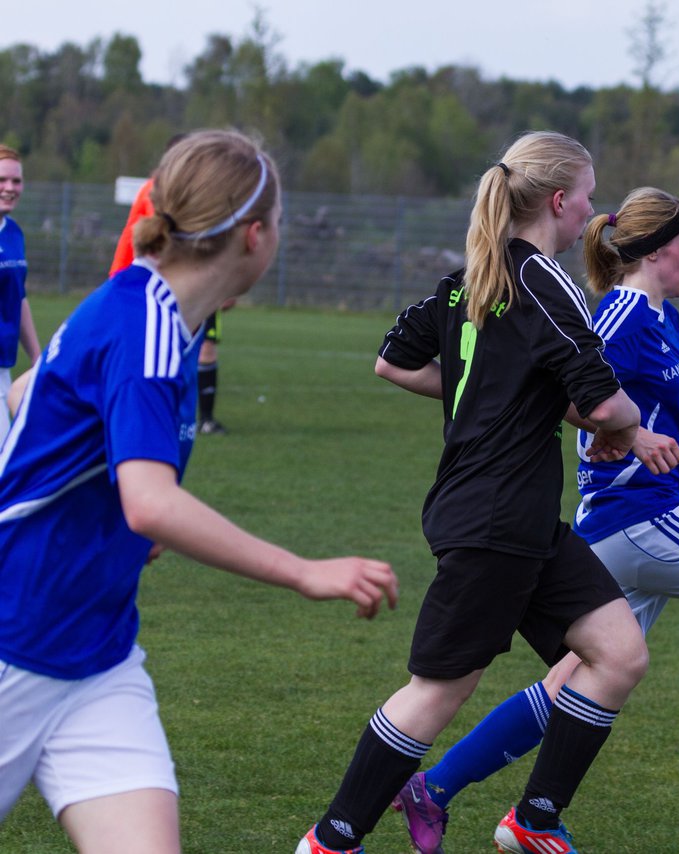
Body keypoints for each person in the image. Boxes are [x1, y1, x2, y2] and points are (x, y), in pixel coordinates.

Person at [387, 187, 679, 853]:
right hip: (644, 514)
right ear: (655, 254)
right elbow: (574, 388)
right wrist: (621, 437)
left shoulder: (656, 316)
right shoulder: (620, 321)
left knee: (571, 682)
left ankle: (442, 791)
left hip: (616, 530)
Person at [0, 130, 399, 853]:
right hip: (14, 644)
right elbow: (147, 500)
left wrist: (107, 524)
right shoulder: (148, 327)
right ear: (254, 235)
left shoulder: (150, 311)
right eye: (278, 222)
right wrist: (305, 572)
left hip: (97, 659)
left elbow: (28, 398)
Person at [296, 131, 647, 854]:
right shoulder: (543, 282)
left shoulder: (468, 279)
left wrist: (485, 402)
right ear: (559, 199)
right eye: (587, 193)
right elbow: (606, 403)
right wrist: (628, 427)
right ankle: (332, 840)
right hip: (493, 519)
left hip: (516, 517)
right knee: (439, 689)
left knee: (618, 652)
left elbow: (393, 362)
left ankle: (533, 822)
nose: (592, 207)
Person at [108, 135, 231, 436]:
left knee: (201, 347)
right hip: (157, 288)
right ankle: (145, 414)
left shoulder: (196, 195)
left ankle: (198, 418)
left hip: (191, 287)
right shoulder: (155, 192)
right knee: (153, 351)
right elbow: (139, 241)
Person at [0, 143, 41, 445]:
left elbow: (19, 297)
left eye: (16, 181)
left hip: (4, 365)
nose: (10, 188)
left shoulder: (14, 232)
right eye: (2, 180)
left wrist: (37, 357)